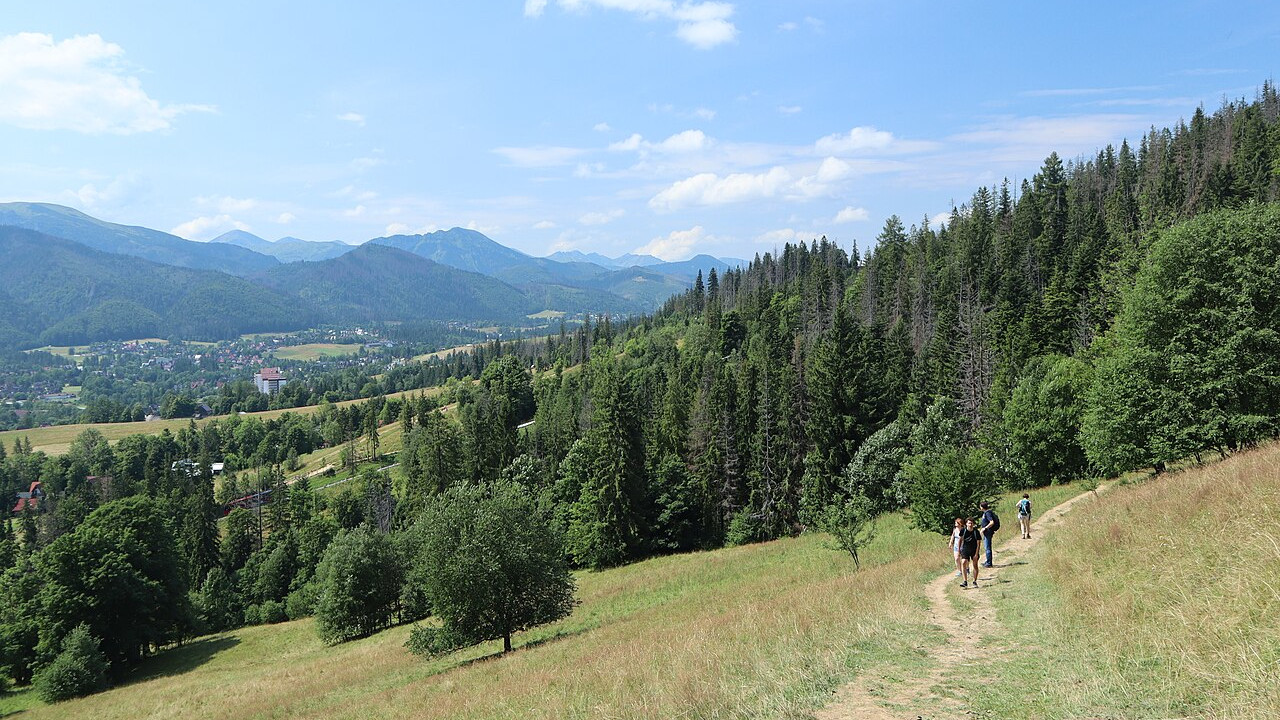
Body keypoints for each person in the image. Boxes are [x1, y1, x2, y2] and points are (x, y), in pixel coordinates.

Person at [958, 518, 981, 588]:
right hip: (965, 549)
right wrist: (959, 550)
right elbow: (960, 540)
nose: (970, 524)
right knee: (963, 562)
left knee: (975, 565)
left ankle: (974, 581)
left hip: (974, 550)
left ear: (973, 524)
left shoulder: (976, 532)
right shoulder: (963, 531)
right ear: (966, 524)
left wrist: (976, 554)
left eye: (971, 523)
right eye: (969, 523)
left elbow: (978, 543)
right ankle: (965, 581)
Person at [979, 501, 999, 568]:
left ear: (982, 507)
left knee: (987, 547)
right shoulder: (987, 512)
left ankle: (989, 563)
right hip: (987, 532)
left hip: (988, 532)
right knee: (987, 547)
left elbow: (991, 522)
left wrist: (985, 528)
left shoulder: (987, 513)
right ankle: (988, 561)